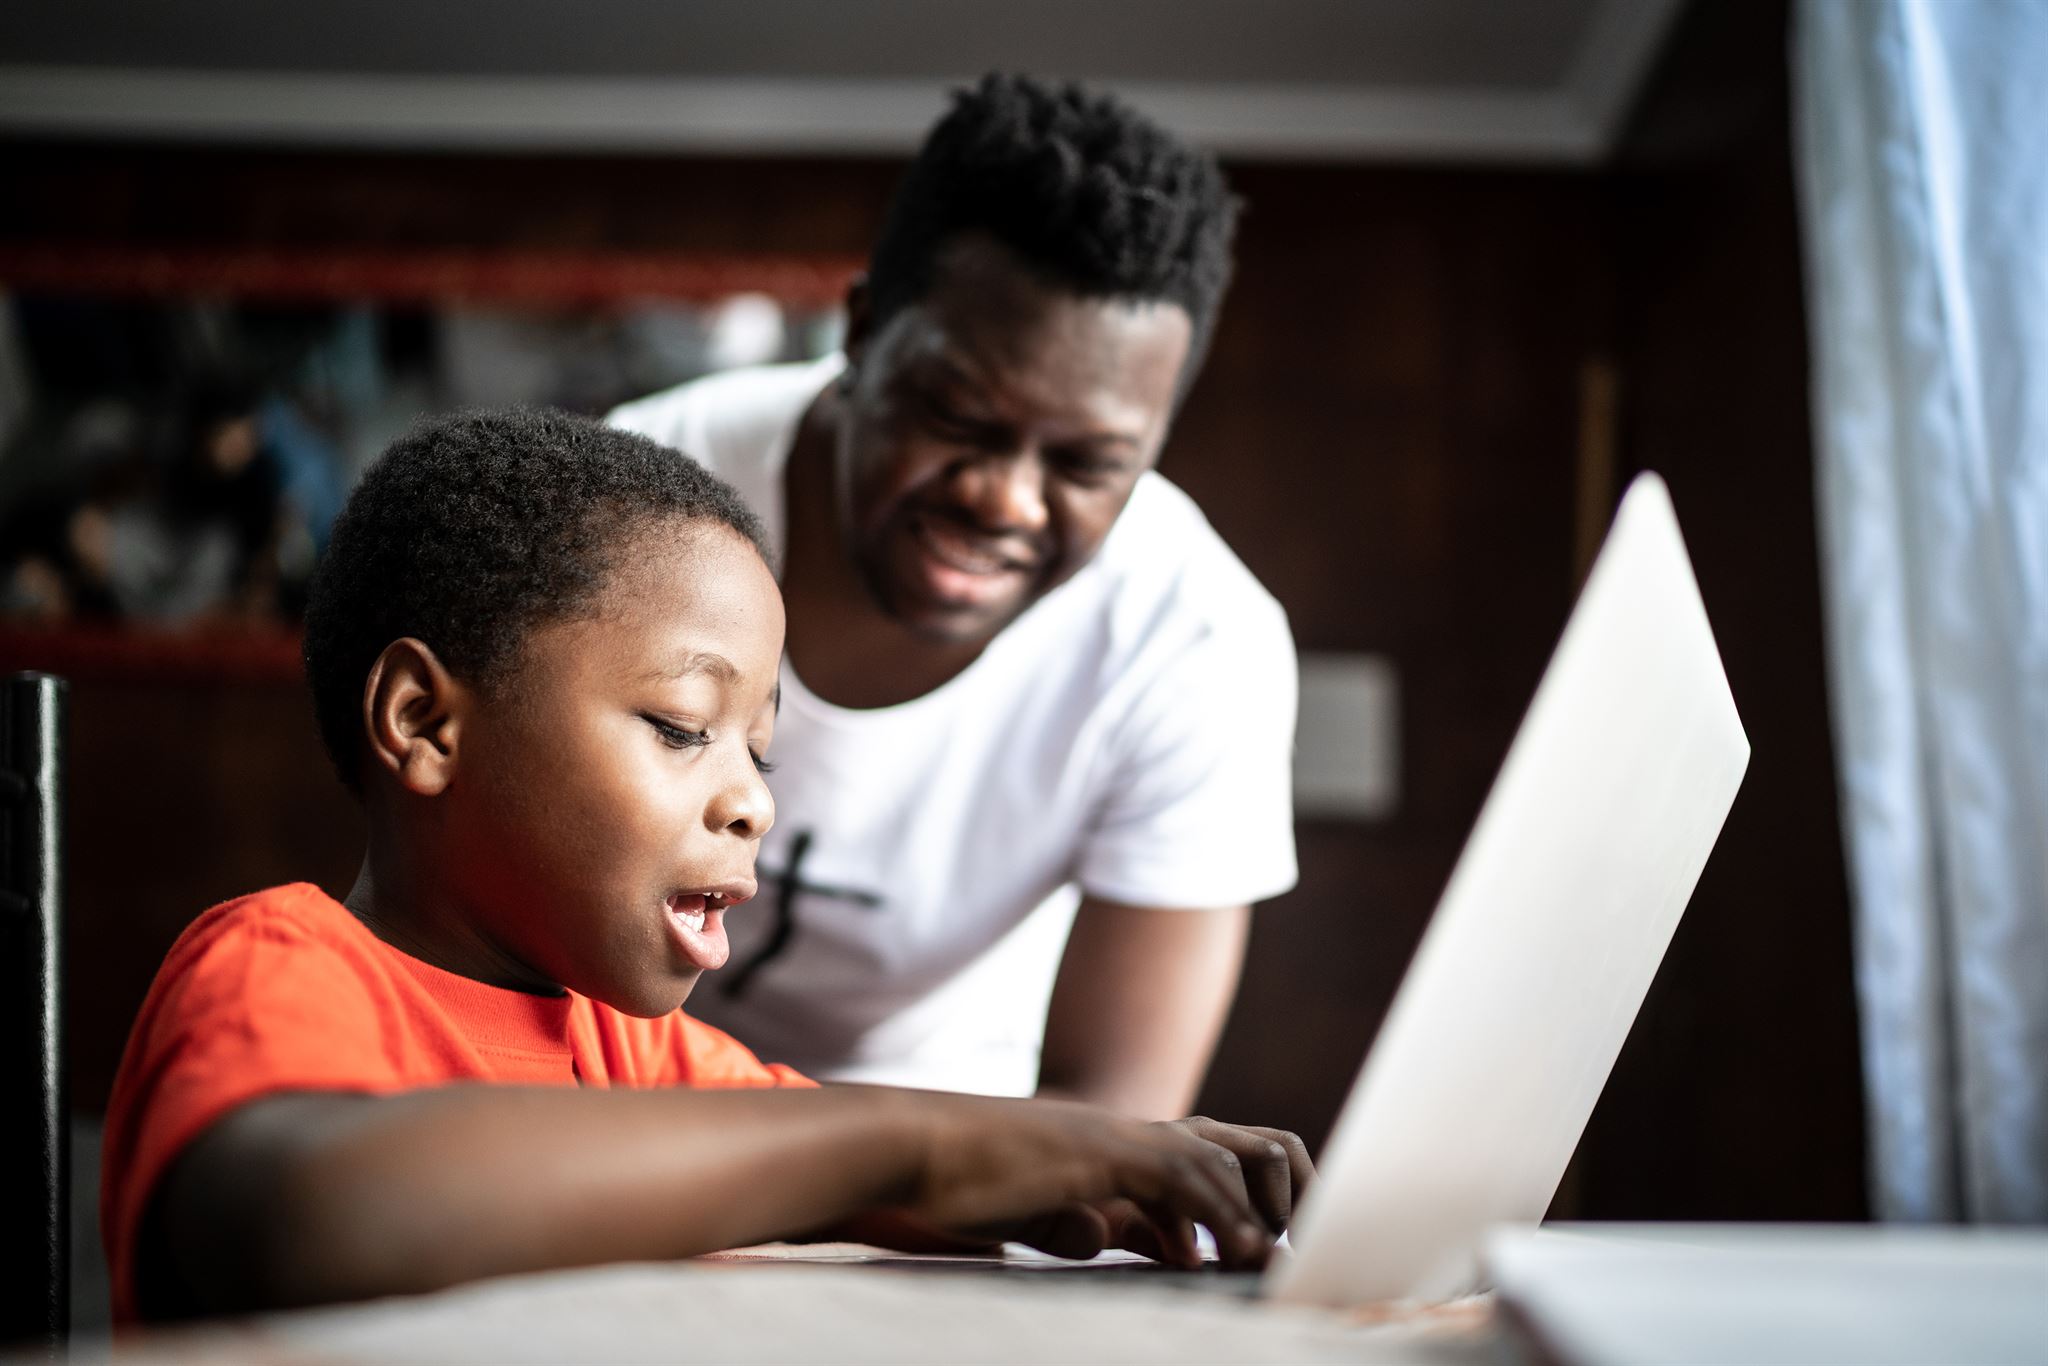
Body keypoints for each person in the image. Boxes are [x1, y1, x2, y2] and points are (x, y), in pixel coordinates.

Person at [99, 410, 1312, 1322]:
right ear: (424, 722)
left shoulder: (626, 1046)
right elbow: (307, 1216)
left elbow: (862, 1166)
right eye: (683, 726)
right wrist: (912, 1148)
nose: (750, 799)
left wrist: (1097, 1166)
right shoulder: (280, 958)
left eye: (760, 747)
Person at [608, 74, 1297, 1116]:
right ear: (861, 328)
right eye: (955, 416)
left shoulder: (1195, 640)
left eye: (1087, 463)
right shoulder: (624, 499)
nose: (1003, 499)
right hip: (600, 1099)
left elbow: (1112, 1108)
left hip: (950, 1147)